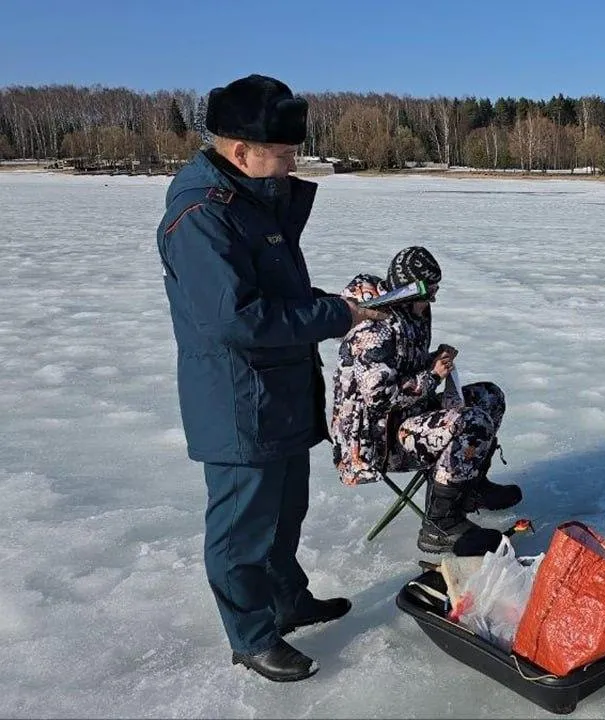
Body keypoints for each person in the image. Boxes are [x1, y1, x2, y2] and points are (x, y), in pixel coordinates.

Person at [156, 74, 387, 683]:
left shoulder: (253, 199)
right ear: (240, 151)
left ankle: (288, 600)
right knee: (242, 530)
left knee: (286, 513)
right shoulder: (202, 215)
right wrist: (336, 317)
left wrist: (338, 305)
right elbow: (235, 318)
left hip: (279, 392)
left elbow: (277, 292)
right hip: (238, 401)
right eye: (283, 155)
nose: (292, 166)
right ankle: (252, 636)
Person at [330, 246, 521, 558]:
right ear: (408, 291)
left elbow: (403, 366)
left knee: (489, 397)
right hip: (380, 441)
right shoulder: (374, 330)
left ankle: (470, 488)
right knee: (471, 424)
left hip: (410, 414)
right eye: (428, 293)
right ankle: (440, 525)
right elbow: (379, 398)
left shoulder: (411, 313)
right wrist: (431, 376)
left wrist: (433, 360)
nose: (432, 300)